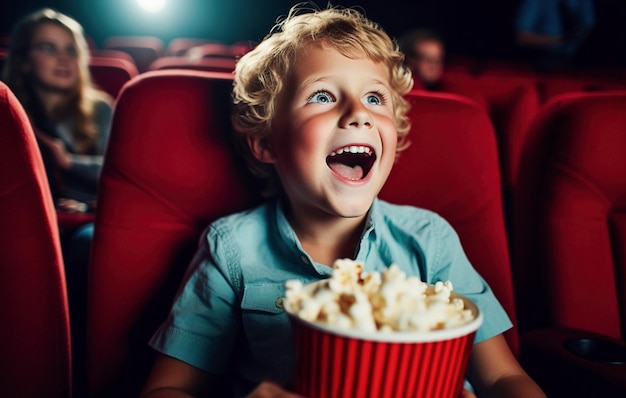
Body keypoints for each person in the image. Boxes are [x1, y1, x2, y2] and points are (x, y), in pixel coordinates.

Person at [141, 4, 546, 398]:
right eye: (322, 96)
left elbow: (501, 379)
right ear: (267, 143)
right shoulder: (231, 249)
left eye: (374, 98)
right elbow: (167, 387)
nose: (358, 114)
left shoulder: (430, 240)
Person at [1, 8, 113, 396]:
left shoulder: (100, 109)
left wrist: (68, 162)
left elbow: (120, 176)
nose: (64, 58)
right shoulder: (7, 110)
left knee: (89, 244)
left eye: (71, 49)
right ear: (25, 60)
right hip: (22, 225)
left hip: (86, 221)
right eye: (48, 48)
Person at [514, 0, 596, 72]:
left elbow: (588, 26)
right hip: (542, 60)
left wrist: (578, 34)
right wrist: (561, 40)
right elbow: (522, 37)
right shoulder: (538, 2)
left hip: (576, 60)